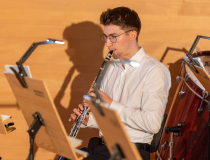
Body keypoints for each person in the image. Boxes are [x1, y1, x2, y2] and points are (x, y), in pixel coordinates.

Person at [69, 6, 171, 160]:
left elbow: (152, 123)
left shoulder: (154, 70)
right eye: (106, 37)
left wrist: (112, 104)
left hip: (131, 151)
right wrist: (88, 120)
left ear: (132, 35)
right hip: (102, 147)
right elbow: (108, 119)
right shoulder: (109, 68)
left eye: (113, 37)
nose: (108, 44)